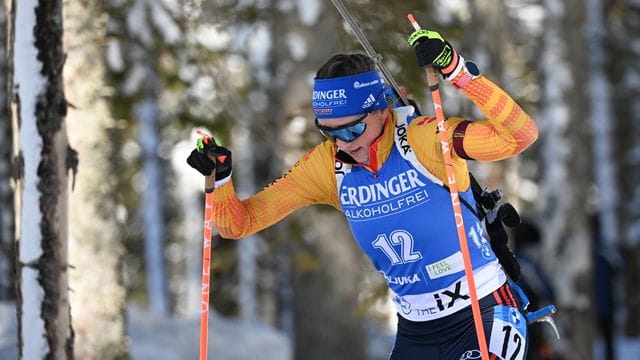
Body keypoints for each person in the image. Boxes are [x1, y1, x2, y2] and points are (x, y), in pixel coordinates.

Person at [187, 29, 538, 359]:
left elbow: (520, 136)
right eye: (329, 132)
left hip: (482, 311)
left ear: (381, 110)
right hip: (417, 330)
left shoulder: (424, 140)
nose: (344, 143)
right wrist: (220, 180)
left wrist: (457, 70)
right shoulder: (327, 166)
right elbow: (238, 223)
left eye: (354, 128)